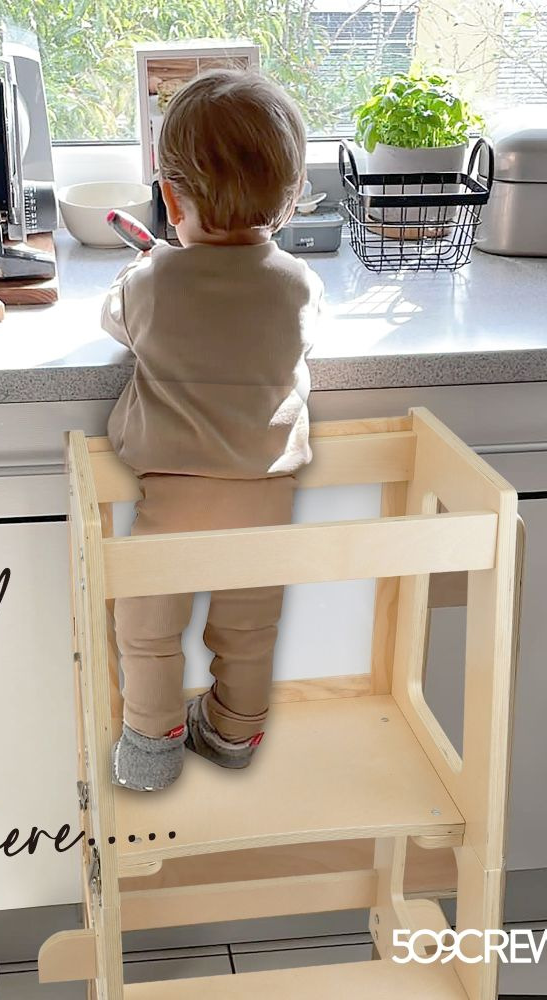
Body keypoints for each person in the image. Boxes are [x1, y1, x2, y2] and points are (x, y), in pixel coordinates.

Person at [101, 69, 323, 792]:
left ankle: (152, 744)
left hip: (174, 502)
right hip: (265, 500)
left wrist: (150, 269)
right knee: (248, 632)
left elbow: (116, 321)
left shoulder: (151, 280)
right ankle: (232, 733)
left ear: (169, 199)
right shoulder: (299, 283)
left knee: (148, 628)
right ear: (291, 196)